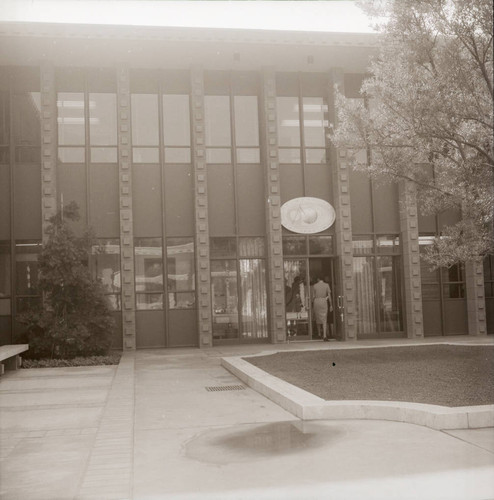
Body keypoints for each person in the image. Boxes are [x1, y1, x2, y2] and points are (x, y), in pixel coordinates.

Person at [311, 276, 332, 341]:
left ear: (318, 279)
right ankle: (324, 336)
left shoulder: (315, 285)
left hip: (316, 301)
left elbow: (313, 296)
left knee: (317, 317)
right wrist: (331, 305)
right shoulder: (326, 285)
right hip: (323, 301)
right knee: (324, 318)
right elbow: (329, 296)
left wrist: (312, 303)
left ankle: (319, 333)